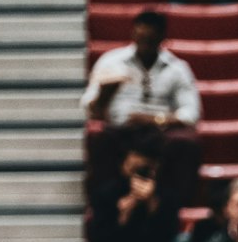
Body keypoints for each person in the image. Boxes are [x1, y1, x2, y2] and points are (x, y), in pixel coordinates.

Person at [82, 10, 202, 199]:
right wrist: (105, 95)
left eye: (150, 39)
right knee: (101, 140)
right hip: (122, 132)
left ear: (162, 38)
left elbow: (191, 113)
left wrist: (154, 119)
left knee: (187, 144)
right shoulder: (111, 62)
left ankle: (173, 203)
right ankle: (104, 203)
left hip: (160, 133)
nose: (144, 44)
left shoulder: (178, 69)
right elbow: (90, 108)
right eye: (140, 38)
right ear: (133, 35)